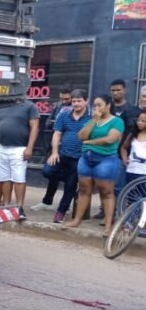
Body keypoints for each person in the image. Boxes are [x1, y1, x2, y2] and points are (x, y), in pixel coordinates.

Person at [64, 95, 125, 236]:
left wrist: (90, 142)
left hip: (105, 159)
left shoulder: (117, 121)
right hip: (86, 159)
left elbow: (110, 139)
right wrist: (94, 120)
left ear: (108, 105)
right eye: (95, 105)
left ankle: (108, 225)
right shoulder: (92, 121)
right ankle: (77, 220)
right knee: (84, 190)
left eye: (100, 105)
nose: (97, 108)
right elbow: (81, 136)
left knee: (106, 192)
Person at [38, 90, 91, 223]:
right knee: (47, 171)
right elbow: (57, 134)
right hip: (62, 154)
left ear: (86, 101)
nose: (76, 104)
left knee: (70, 187)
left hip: (80, 158)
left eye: (79, 101)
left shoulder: (91, 118)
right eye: (74, 101)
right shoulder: (64, 115)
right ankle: (69, 178)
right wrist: (55, 152)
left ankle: (61, 212)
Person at [93, 80, 141, 219]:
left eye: (118, 90)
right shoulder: (107, 108)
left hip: (120, 154)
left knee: (117, 186)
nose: (115, 92)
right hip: (103, 152)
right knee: (103, 184)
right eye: (113, 90)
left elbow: (131, 132)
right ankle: (104, 210)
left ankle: (116, 214)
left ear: (125, 90)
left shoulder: (131, 110)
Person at [0, 100, 40, 220]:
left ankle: (19, 208)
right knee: (2, 178)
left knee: (19, 178)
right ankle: (6, 206)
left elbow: (34, 127)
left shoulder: (29, 106)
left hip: (19, 148)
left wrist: (30, 147)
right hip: (1, 147)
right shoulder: (1, 105)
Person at [32, 87, 73, 211]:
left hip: (70, 146)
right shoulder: (58, 106)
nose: (64, 101)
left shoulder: (78, 107)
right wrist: (55, 123)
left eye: (67, 99)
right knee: (50, 172)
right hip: (56, 144)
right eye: (62, 99)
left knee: (71, 176)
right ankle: (47, 201)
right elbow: (48, 122)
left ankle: (67, 204)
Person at [120, 109, 146, 184]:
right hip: (131, 170)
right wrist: (124, 159)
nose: (139, 123)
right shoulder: (133, 134)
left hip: (144, 172)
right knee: (130, 193)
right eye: (138, 120)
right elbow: (123, 148)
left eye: (143, 121)